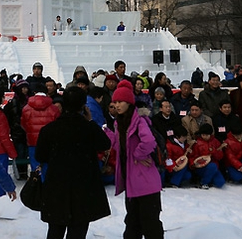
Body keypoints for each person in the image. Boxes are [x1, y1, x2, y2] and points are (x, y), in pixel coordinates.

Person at [35, 86, 111, 239]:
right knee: (78, 230)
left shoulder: (49, 129)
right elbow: (105, 144)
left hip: (57, 184)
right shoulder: (88, 128)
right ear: (84, 106)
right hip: (83, 186)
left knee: (55, 229)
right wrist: (90, 122)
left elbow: (40, 155)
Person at [105, 78, 164, 238]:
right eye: (114, 102)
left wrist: (138, 154)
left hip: (145, 181)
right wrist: (108, 135)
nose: (116, 105)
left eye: (120, 101)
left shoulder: (139, 121)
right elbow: (120, 148)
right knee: (132, 224)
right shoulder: (119, 123)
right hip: (131, 181)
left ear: (129, 102)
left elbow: (149, 141)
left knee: (150, 223)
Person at [21, 83, 60, 178]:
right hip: (49, 142)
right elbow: (58, 126)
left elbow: (23, 124)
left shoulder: (26, 108)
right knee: (49, 166)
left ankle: (38, 186)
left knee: (36, 167)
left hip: (33, 141)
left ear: (34, 92)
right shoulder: (54, 108)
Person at [188, 123, 225, 189]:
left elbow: (220, 156)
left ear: (210, 134)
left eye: (207, 135)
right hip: (201, 167)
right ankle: (204, 182)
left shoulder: (215, 142)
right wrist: (193, 164)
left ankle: (208, 178)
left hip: (214, 167)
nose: (204, 137)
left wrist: (214, 152)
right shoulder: (197, 143)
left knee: (220, 183)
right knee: (212, 166)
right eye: (203, 135)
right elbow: (192, 156)